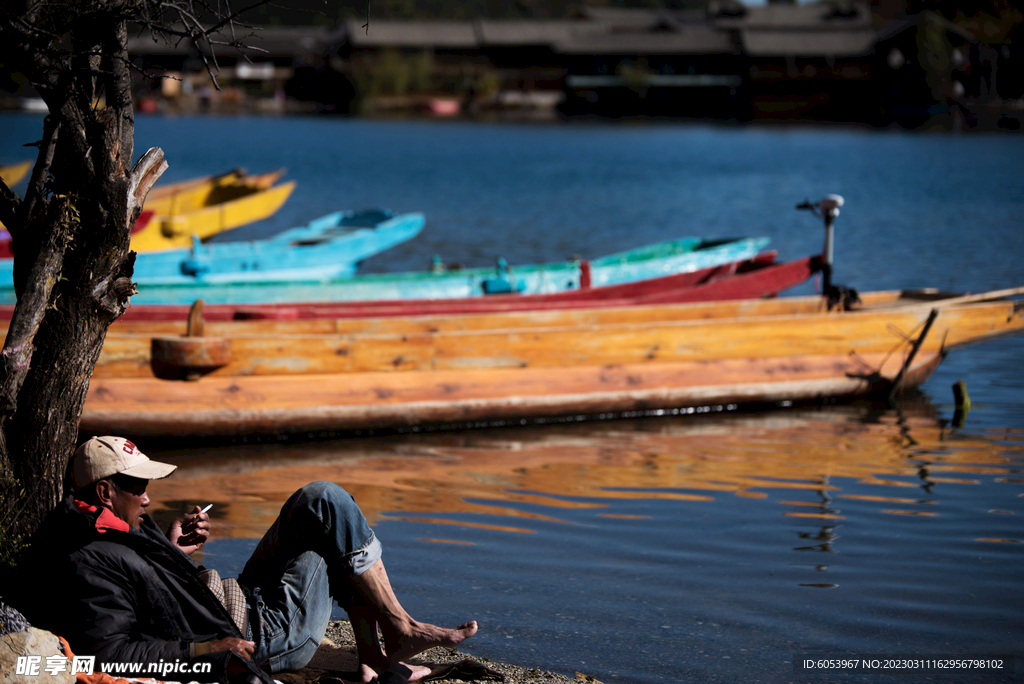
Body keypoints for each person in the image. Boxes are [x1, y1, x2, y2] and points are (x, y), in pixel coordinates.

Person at [11, 436, 477, 684]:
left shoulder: (100, 529)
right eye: (137, 486)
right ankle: (395, 633)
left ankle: (376, 653)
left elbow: (147, 597)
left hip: (234, 598)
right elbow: (113, 654)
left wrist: (174, 553)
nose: (149, 497)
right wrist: (208, 656)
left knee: (318, 504)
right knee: (331, 506)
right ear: (104, 491)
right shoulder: (89, 560)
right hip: (259, 635)